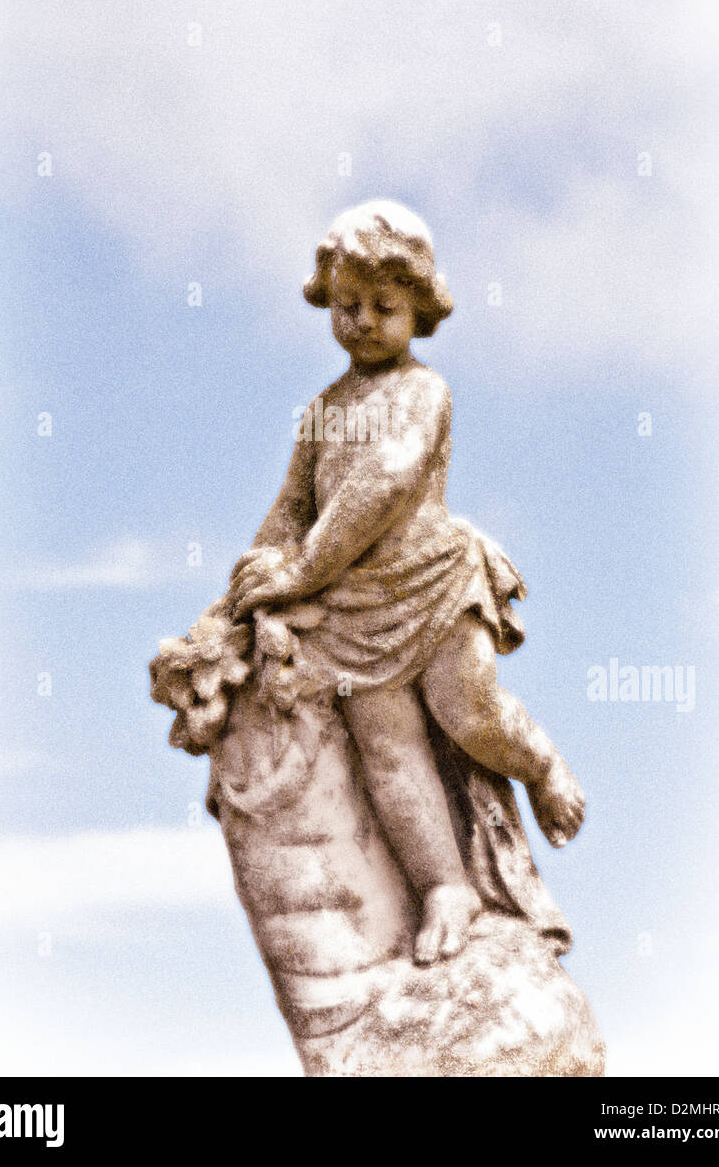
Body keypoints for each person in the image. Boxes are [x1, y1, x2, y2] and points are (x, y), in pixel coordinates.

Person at [227, 200, 584, 964]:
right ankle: (443, 887)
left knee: (469, 711)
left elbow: (381, 486)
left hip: (432, 583)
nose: (360, 322)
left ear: (419, 310)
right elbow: (294, 506)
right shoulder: (322, 411)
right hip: (352, 614)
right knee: (390, 758)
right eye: (346, 305)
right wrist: (245, 590)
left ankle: (541, 762)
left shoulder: (424, 393)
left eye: (383, 307)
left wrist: (301, 571)